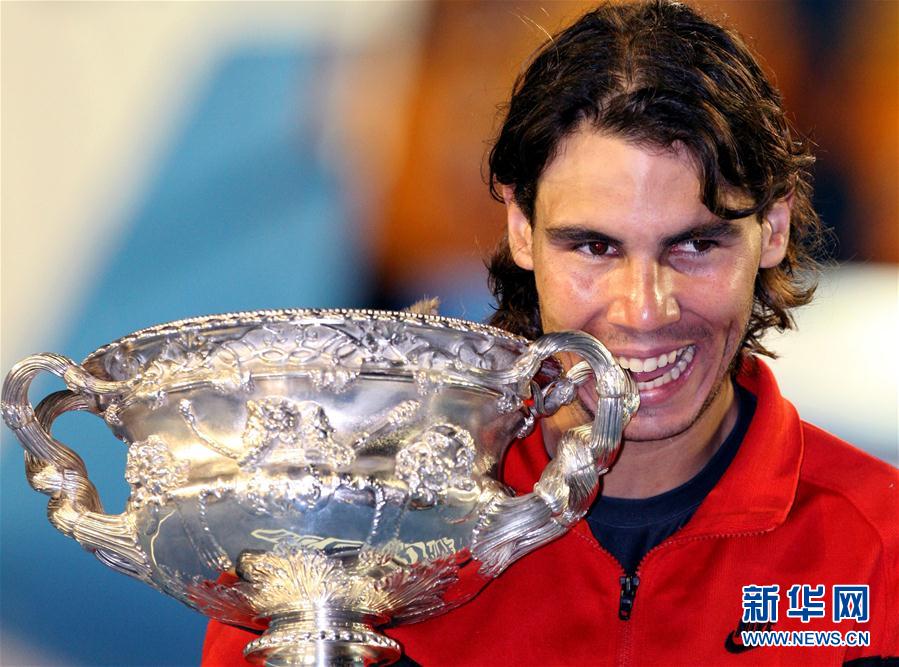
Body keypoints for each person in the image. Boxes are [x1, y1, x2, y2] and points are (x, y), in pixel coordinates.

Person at [202, 1, 898, 664]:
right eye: (594, 247)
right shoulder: (341, 538)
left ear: (772, 228)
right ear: (520, 229)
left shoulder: (881, 548)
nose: (643, 310)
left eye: (694, 245)